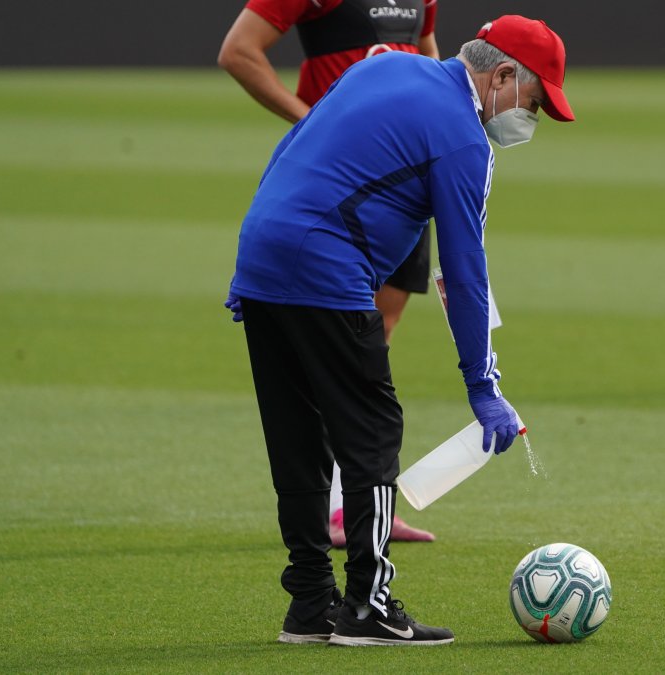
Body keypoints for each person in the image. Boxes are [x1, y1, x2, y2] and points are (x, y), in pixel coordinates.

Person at [223, 15, 574, 646]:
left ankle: (309, 605)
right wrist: (482, 384)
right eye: (535, 101)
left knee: (298, 438)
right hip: (326, 270)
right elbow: (465, 271)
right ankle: (368, 607)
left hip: (263, 252)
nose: (533, 117)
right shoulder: (465, 140)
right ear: (500, 76)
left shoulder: (386, 63)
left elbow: (297, 141)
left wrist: (252, 265)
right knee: (372, 431)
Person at [218, 0, 440, 543]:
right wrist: (309, 120)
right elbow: (239, 50)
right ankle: (337, 509)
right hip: (337, 188)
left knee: (372, 346)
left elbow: (430, 56)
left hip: (404, 186)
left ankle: (356, 504)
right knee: (332, 353)